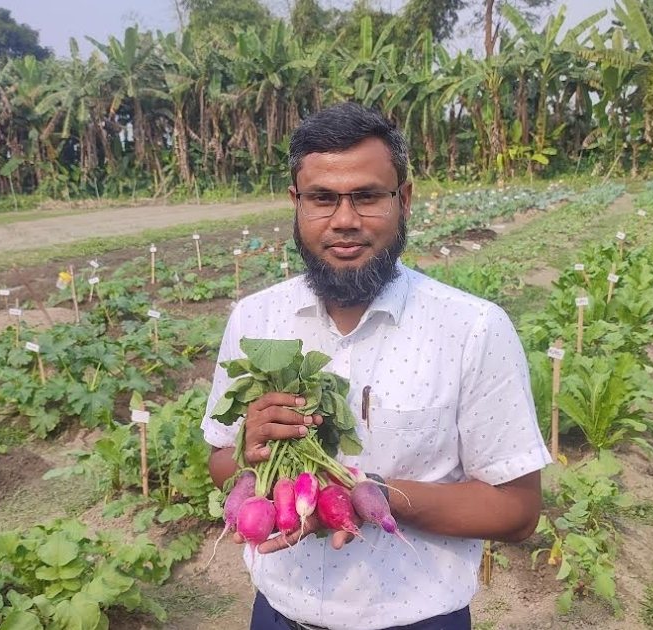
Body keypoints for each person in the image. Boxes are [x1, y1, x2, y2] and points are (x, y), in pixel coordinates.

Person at [201, 102, 551, 630]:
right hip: (277, 615)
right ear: (296, 203)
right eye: (322, 198)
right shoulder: (255, 318)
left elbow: (517, 511)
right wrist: (252, 449)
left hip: (416, 620)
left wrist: (377, 497)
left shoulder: (472, 328)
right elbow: (221, 464)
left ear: (404, 200)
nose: (345, 220)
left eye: (367, 196)